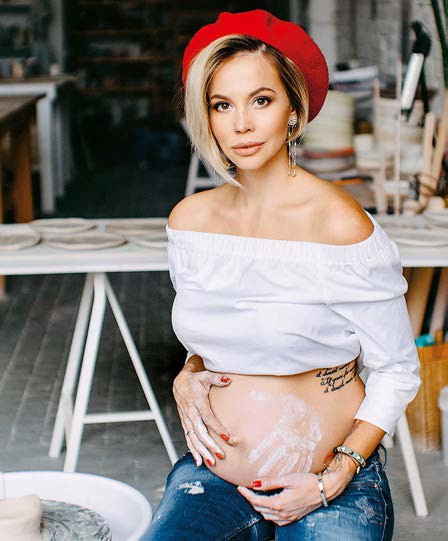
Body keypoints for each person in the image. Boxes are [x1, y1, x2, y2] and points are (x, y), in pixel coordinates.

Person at [144, 9, 421, 540]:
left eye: (261, 101)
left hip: (329, 480)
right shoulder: (191, 223)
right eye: (222, 105)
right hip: (215, 478)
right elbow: (222, 334)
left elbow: (397, 370)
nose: (241, 125)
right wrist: (188, 373)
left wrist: (335, 475)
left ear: (294, 110)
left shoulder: (340, 226)